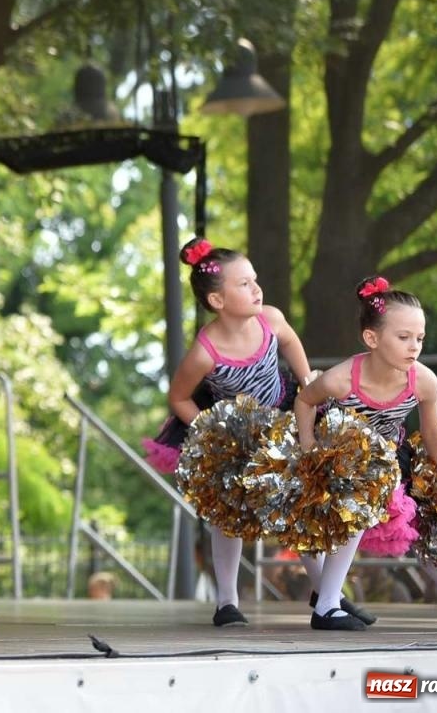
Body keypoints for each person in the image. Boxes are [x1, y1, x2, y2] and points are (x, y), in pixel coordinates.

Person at [293, 277, 437, 632]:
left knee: (425, 524)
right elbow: (305, 401)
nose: (414, 346)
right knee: (354, 503)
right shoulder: (342, 379)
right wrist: (309, 446)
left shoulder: (424, 380)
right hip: (342, 460)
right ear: (372, 339)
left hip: (393, 455)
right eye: (403, 337)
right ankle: (326, 604)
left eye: (419, 338)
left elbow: (431, 429)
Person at [159, 238, 322, 628]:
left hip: (281, 418)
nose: (257, 289)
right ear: (217, 301)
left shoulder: (270, 319)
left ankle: (326, 592)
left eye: (255, 280)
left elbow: (291, 341)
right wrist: (210, 432)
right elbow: (179, 397)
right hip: (235, 434)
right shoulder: (205, 351)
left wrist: (308, 383)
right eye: (245, 284)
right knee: (226, 512)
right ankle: (227, 602)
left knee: (299, 501)